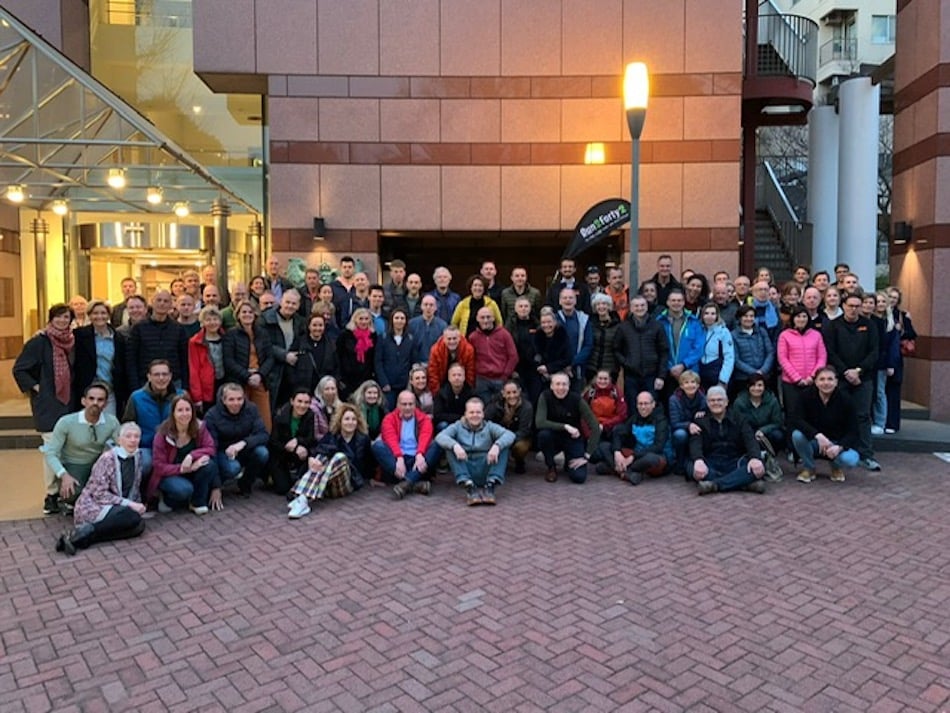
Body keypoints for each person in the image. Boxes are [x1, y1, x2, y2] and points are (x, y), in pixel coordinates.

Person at [14, 303, 78, 512]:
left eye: (66, 317)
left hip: (69, 402)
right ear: (51, 319)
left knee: (67, 450)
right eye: (58, 317)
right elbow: (20, 369)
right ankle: (51, 495)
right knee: (53, 449)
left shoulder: (72, 340)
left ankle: (65, 494)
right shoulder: (38, 342)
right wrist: (38, 388)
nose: (62, 321)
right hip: (49, 404)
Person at [55, 422, 147, 556]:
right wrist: (130, 504)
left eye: (136, 436)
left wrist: (138, 505)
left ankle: (80, 538)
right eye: (128, 436)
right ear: (119, 440)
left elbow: (134, 486)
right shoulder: (107, 459)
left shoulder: (138, 456)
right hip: (94, 505)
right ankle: (79, 535)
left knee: (138, 527)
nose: (133, 440)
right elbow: (99, 494)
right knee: (130, 517)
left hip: (117, 506)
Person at [43, 382, 119, 515]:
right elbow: (50, 453)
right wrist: (64, 475)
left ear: (106, 404)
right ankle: (66, 500)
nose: (95, 403)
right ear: (83, 401)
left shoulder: (112, 422)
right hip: (73, 465)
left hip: (97, 465)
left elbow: (121, 446)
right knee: (73, 493)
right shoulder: (66, 422)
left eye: (100, 400)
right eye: (91, 399)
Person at [823, 292, 880, 471]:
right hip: (841, 378)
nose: (853, 309)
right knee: (839, 415)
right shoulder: (834, 326)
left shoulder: (869, 325)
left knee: (863, 416)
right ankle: (839, 452)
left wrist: (858, 371)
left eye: (857, 306)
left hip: (864, 378)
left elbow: (874, 351)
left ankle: (866, 455)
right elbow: (830, 352)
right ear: (844, 305)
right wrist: (846, 372)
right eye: (850, 305)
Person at [287, 403, 371, 519]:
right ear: (340, 421)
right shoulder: (332, 436)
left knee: (340, 457)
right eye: (346, 419)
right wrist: (312, 458)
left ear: (358, 422)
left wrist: (374, 478)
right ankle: (303, 499)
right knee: (321, 457)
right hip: (326, 486)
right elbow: (319, 450)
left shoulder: (363, 439)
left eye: (353, 419)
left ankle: (303, 497)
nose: (350, 422)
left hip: (346, 483)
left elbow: (368, 462)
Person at [687, 386, 766, 495]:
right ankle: (743, 484)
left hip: (735, 461)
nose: (716, 403)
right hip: (711, 462)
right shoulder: (700, 420)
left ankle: (715, 485)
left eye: (719, 400)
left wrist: (755, 458)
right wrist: (698, 460)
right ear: (707, 403)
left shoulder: (739, 418)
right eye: (712, 400)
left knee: (758, 466)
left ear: (727, 402)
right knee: (691, 467)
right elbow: (695, 443)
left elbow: (750, 439)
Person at [436, 397, 515, 506]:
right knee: (449, 447)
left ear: (483, 414)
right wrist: (455, 445)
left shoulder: (489, 426)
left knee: (504, 446)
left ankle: (490, 486)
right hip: (466, 467)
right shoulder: (457, 426)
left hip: (486, 467)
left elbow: (510, 435)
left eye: (478, 412)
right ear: (466, 414)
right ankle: (469, 487)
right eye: (471, 412)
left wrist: (497, 446)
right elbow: (440, 437)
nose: (475, 415)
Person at [149, 395, 220, 514]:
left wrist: (191, 455)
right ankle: (166, 499)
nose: (184, 414)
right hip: (169, 474)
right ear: (173, 413)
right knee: (184, 490)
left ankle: (197, 502)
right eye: (180, 410)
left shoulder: (200, 427)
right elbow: (159, 466)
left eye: (188, 410)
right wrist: (183, 469)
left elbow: (210, 448)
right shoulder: (162, 434)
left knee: (209, 464)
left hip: (192, 470)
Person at [789, 366, 861, 483]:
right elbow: (797, 419)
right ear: (816, 382)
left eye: (830, 379)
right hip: (815, 442)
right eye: (822, 379)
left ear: (836, 382)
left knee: (851, 459)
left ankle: (836, 468)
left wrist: (839, 447)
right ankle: (809, 468)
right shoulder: (805, 396)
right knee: (797, 435)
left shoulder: (846, 400)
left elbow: (853, 431)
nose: (826, 383)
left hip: (836, 443)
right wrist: (817, 435)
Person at [204, 382, 270, 497]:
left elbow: (263, 434)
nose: (236, 403)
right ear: (223, 400)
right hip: (222, 452)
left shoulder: (252, 409)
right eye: (231, 399)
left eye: (240, 399)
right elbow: (211, 449)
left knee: (262, 453)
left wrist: (243, 443)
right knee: (232, 468)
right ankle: (217, 484)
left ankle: (245, 483)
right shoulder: (211, 416)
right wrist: (216, 486)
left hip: (243, 448)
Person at [372, 390, 441, 498]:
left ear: (415, 405)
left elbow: (425, 436)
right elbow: (390, 439)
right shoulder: (389, 419)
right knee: (378, 446)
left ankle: (406, 483)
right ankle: (414, 483)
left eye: (410, 404)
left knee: (437, 444)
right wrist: (399, 457)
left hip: (417, 461)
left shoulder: (424, 419)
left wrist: (420, 454)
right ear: (398, 405)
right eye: (404, 404)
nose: (408, 407)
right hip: (397, 461)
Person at [535, 373, 600, 484]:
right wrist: (565, 427)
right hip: (553, 437)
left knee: (579, 477)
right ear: (551, 386)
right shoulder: (545, 397)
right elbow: (540, 423)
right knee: (543, 435)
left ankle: (568, 463)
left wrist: (587, 455)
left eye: (564, 384)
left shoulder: (577, 399)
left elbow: (595, 427)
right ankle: (551, 467)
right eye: (557, 384)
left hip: (573, 439)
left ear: (569, 386)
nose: (561, 388)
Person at [122, 358, 181, 480]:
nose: (161, 378)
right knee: (145, 464)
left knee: (182, 490)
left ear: (170, 376)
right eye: (156, 374)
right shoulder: (136, 397)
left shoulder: (180, 397)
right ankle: (141, 492)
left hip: (173, 449)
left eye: (164, 374)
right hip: (146, 448)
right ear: (149, 376)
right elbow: (127, 425)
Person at [223, 300, 275, 432]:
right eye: (244, 312)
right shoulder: (231, 334)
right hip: (240, 382)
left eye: (250, 312)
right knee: (241, 419)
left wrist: (260, 375)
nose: (247, 314)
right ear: (238, 315)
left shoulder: (263, 333)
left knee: (264, 420)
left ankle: (263, 447)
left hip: (260, 381)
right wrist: (247, 376)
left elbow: (270, 357)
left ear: (255, 314)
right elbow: (228, 361)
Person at [777, 305, 827, 437]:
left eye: (804, 316)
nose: (801, 319)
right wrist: (797, 378)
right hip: (791, 383)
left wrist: (812, 377)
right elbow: (783, 358)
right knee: (792, 414)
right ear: (793, 318)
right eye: (798, 316)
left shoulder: (816, 335)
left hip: (812, 382)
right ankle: (792, 448)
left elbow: (821, 357)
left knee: (812, 413)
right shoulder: (785, 335)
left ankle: (813, 444)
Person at [128, 290, 189, 393]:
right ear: (152, 302)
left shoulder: (178, 329)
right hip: (145, 383)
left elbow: (184, 359)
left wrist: (185, 386)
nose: (162, 303)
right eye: (159, 300)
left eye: (166, 301)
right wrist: (135, 386)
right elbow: (131, 359)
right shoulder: (138, 328)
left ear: (171, 304)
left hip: (174, 383)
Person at [604, 391, 671, 484]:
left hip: (657, 456)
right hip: (636, 455)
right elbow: (619, 432)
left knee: (651, 459)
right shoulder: (634, 418)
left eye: (646, 404)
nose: (643, 407)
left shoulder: (661, 420)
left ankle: (619, 469)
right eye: (640, 404)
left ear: (653, 404)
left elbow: (658, 447)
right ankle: (630, 472)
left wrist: (632, 457)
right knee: (604, 446)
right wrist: (617, 452)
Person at [613, 295, 669, 406]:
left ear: (647, 307)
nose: (640, 308)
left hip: (652, 375)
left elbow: (664, 351)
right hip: (631, 376)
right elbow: (616, 349)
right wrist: (626, 362)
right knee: (632, 406)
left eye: (642, 305)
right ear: (631, 308)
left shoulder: (657, 326)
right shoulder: (623, 327)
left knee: (651, 405)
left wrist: (661, 376)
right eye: (636, 306)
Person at [73, 301, 123, 416]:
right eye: (95, 313)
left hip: (110, 389)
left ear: (108, 315)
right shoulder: (79, 335)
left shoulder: (118, 337)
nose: (99, 316)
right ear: (89, 315)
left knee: (109, 424)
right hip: (88, 388)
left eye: (103, 313)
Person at [730, 374, 784, 478]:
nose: (756, 388)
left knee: (778, 435)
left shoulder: (772, 401)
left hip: (766, 433)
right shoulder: (739, 402)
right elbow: (737, 423)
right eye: (753, 385)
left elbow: (777, 422)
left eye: (760, 385)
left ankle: (770, 457)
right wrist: (750, 433)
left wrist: (763, 430)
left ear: (764, 387)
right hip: (747, 433)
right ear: (748, 387)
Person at [260, 288, 305, 410]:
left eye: (293, 303)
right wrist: (284, 355)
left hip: (292, 370)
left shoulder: (300, 322)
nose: (290, 306)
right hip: (272, 370)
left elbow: (302, 341)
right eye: (287, 302)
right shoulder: (265, 318)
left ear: (298, 306)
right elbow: (264, 343)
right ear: (280, 301)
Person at [656, 289, 704, 402]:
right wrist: (670, 367)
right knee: (669, 404)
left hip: (689, 371)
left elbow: (698, 347)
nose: (676, 303)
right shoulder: (659, 322)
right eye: (673, 300)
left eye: (679, 300)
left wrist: (683, 365)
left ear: (683, 302)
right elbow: (657, 347)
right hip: (667, 372)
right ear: (667, 302)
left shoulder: (693, 322)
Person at [268, 388, 317, 496]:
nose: (302, 405)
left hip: (298, 453)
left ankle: (300, 478)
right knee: (282, 489)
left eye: (306, 402)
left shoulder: (310, 415)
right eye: (299, 401)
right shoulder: (280, 416)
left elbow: (311, 438)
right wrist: (290, 447)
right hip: (280, 455)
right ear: (292, 401)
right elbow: (273, 441)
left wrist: (298, 441)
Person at [468, 307, 518, 404]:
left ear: (493, 318)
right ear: (477, 319)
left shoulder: (504, 334)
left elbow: (513, 356)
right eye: (482, 317)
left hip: (500, 378)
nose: (485, 320)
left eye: (488, 317)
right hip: (481, 379)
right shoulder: (473, 337)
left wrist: (505, 375)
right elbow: (470, 358)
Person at [885, 286, 916, 433]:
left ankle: (892, 424)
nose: (891, 300)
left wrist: (900, 330)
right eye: (889, 296)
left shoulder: (902, 315)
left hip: (896, 357)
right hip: (881, 358)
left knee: (893, 391)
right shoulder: (879, 313)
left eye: (894, 298)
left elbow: (912, 334)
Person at [485, 380, 534, 474]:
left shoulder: (527, 407)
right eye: (508, 393)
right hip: (498, 436)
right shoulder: (495, 404)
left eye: (514, 392)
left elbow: (524, 431)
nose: (512, 396)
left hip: (519, 437)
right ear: (503, 393)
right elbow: (485, 421)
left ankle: (519, 462)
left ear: (519, 391)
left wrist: (505, 441)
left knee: (521, 448)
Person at [870, 291, 900, 436]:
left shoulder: (891, 322)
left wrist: (891, 364)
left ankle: (880, 422)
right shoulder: (869, 320)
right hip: (869, 363)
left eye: (883, 301)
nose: (880, 304)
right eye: (877, 301)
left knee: (880, 393)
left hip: (883, 363)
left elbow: (893, 346)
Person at [730, 305, 775, 400]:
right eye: (746, 316)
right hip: (743, 378)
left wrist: (762, 370)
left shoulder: (762, 332)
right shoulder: (733, 335)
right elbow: (736, 359)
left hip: (764, 376)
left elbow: (770, 352)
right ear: (739, 318)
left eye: (751, 316)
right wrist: (754, 373)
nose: (749, 319)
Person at [188, 306, 227, 414]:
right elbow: (194, 370)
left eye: (215, 319)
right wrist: (197, 396)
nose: (212, 323)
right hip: (206, 388)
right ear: (202, 322)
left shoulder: (227, 338)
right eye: (208, 320)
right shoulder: (195, 342)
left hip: (225, 382)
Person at [375, 307, 415, 409]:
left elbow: (412, 361)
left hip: (404, 385)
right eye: (397, 318)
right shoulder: (383, 338)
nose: (399, 321)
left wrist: (409, 383)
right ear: (392, 320)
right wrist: (384, 382)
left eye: (402, 318)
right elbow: (378, 362)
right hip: (388, 385)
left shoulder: (410, 339)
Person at [668, 370, 706, 474]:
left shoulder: (703, 397)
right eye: (686, 382)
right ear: (681, 386)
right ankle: (680, 463)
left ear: (698, 385)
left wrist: (702, 413)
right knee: (680, 435)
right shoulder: (674, 399)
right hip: (681, 429)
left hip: (698, 428)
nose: (690, 385)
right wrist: (689, 425)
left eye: (693, 382)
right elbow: (674, 423)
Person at [294, 313, 340, 395]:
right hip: (303, 387)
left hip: (324, 389)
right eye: (314, 325)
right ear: (309, 326)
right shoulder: (299, 343)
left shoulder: (331, 344)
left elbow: (336, 367)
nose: (317, 328)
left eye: (320, 325)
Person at [505, 296, 540, 402]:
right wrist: (512, 369)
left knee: (535, 396)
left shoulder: (537, 323)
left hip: (534, 367)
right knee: (521, 397)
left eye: (526, 306)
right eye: (520, 306)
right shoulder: (510, 325)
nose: (523, 309)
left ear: (530, 308)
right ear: (515, 309)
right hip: (517, 368)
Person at [337, 307, 377, 399]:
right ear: (355, 320)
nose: (363, 322)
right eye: (361, 319)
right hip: (347, 379)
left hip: (365, 378)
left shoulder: (373, 336)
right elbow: (338, 356)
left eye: (366, 319)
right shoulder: (345, 335)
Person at [533, 306, 573, 396]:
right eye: (543, 322)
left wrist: (549, 368)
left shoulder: (562, 335)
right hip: (541, 376)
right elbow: (534, 356)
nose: (546, 325)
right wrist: (542, 369)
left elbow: (567, 358)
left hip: (561, 374)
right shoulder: (537, 336)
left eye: (549, 322)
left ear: (555, 322)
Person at [426, 325, 476, 395]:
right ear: (444, 339)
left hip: (461, 383)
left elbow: (470, 372)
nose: (452, 341)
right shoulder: (435, 350)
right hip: (442, 383)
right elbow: (433, 373)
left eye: (454, 338)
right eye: (449, 339)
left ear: (459, 338)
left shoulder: (468, 349)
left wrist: (468, 391)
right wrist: (437, 394)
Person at [697, 303, 735, 391]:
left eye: (713, 314)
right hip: (702, 371)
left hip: (717, 371)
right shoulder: (699, 330)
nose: (709, 316)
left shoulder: (723, 332)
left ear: (717, 316)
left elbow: (729, 357)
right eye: (706, 313)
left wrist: (723, 380)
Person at [586, 293, 621, 382]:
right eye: (598, 304)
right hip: (592, 367)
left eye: (604, 304)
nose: (601, 307)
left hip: (611, 368)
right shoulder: (590, 324)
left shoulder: (617, 325)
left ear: (609, 306)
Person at [433, 362, 475, 432]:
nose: (457, 378)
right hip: (447, 424)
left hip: (466, 424)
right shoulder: (441, 393)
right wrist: (459, 418)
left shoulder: (471, 393)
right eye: (454, 375)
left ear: (464, 377)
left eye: (459, 375)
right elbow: (438, 415)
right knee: (442, 425)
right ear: (449, 378)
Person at [408, 295, 447, 365]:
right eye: (425, 305)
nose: (428, 307)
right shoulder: (412, 324)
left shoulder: (442, 325)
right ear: (421, 307)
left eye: (431, 305)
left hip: (436, 364)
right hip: (416, 365)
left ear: (436, 308)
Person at [311, 375, 342, 440]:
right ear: (321, 390)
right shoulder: (313, 407)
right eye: (327, 389)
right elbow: (315, 433)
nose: (330, 392)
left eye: (333, 388)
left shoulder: (341, 406)